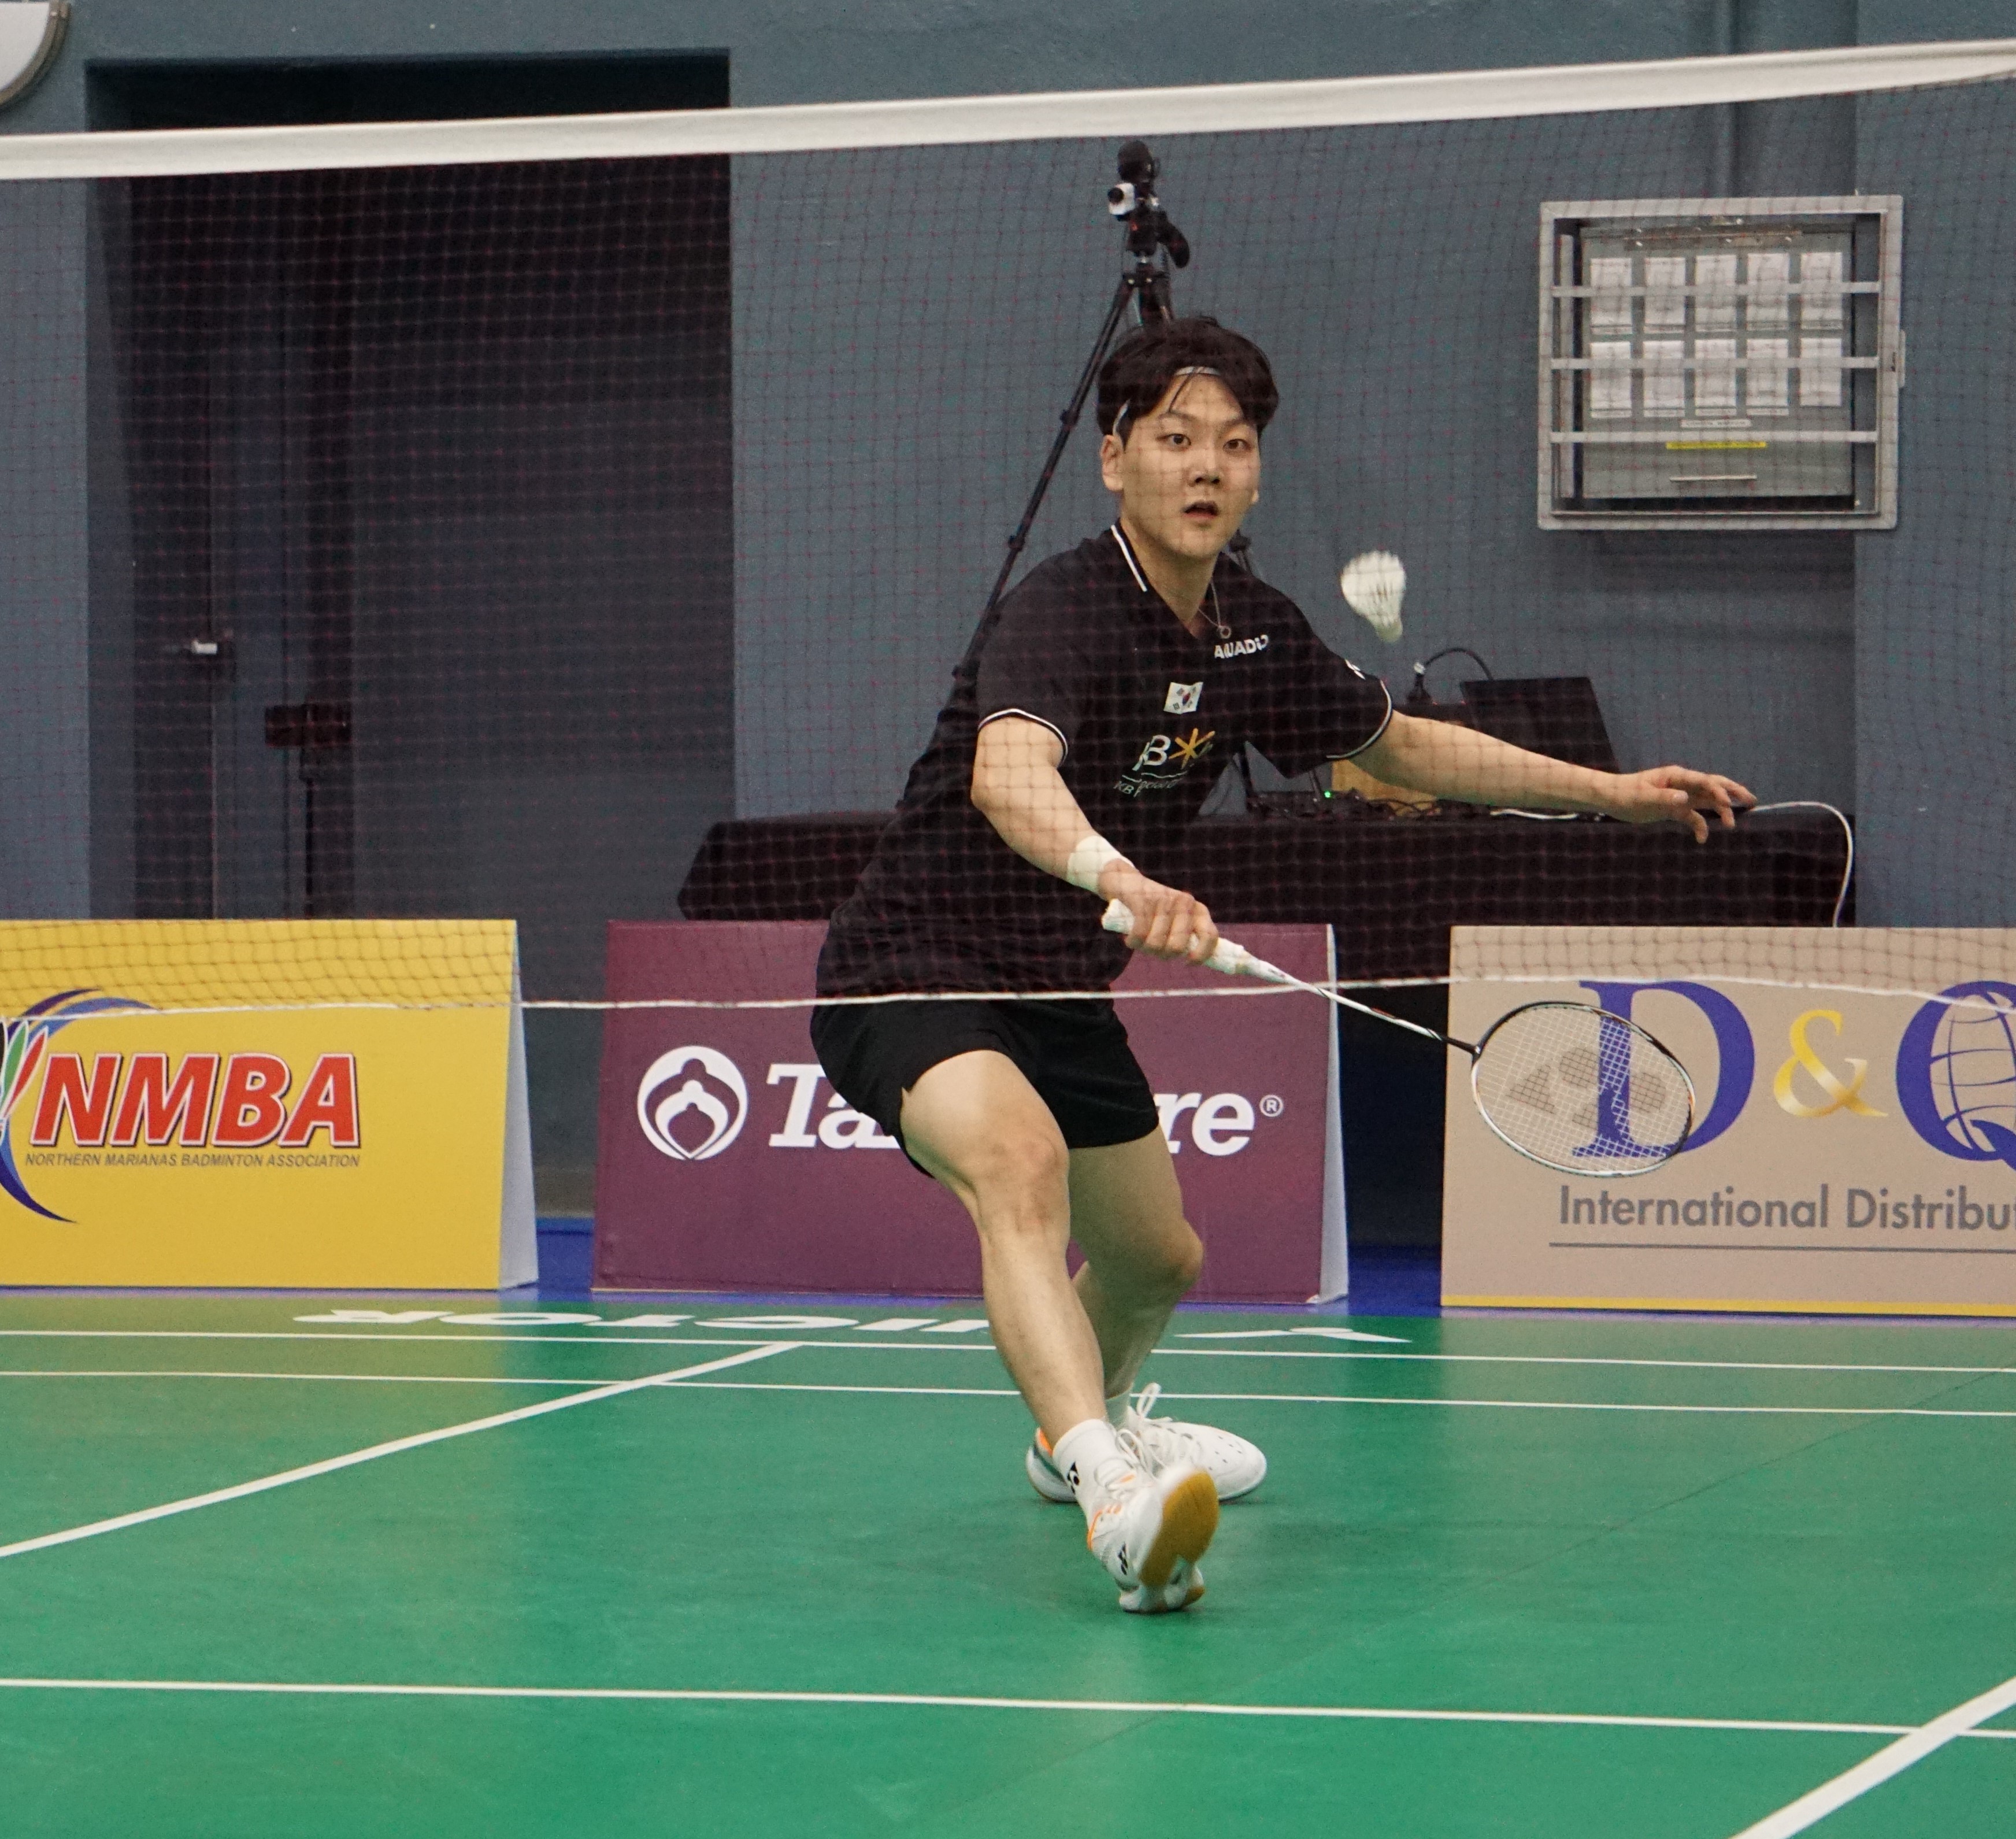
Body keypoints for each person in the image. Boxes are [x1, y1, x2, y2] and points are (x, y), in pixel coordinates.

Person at [812, 317, 1753, 1613]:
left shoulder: (1250, 628)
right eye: (1176, 439)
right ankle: (1107, 1491)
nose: (1206, 466)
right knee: (1018, 1168)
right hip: (912, 965)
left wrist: (1615, 795)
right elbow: (1004, 775)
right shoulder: (1067, 609)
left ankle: (1064, 1434)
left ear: (1256, 472)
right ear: (1114, 459)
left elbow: (1403, 747)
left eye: (1234, 445)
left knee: (1156, 1259)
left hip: (1054, 984)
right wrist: (1122, 878)